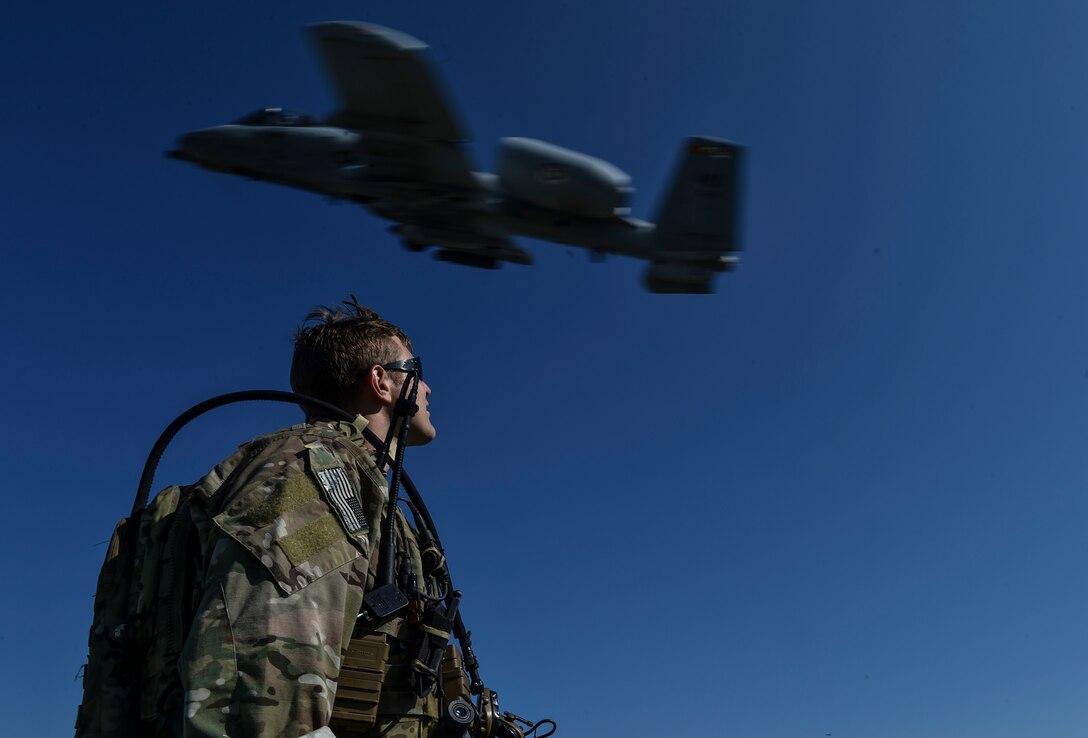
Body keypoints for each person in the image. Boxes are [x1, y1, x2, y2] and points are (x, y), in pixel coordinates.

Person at [178, 298, 442, 738]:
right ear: (380, 381)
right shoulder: (314, 469)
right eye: (416, 369)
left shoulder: (358, 478)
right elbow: (268, 672)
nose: (429, 387)